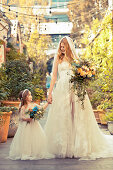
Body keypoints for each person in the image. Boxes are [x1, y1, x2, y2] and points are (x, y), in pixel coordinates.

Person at [44, 36, 113, 160]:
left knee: (77, 115)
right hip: (62, 88)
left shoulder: (75, 59)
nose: (62, 48)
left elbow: (81, 72)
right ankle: (65, 146)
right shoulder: (58, 58)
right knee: (63, 115)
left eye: (64, 46)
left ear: (69, 47)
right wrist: (50, 93)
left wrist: (86, 74)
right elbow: (54, 76)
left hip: (75, 88)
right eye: (61, 46)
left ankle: (78, 145)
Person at [9, 89, 54, 160]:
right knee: (26, 139)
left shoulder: (34, 105)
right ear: (25, 97)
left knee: (35, 138)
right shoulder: (23, 107)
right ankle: (27, 152)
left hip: (34, 125)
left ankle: (34, 151)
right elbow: (21, 117)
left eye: (30, 94)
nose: (31, 96)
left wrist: (48, 103)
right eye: (29, 95)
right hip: (26, 126)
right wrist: (27, 119)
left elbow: (41, 109)